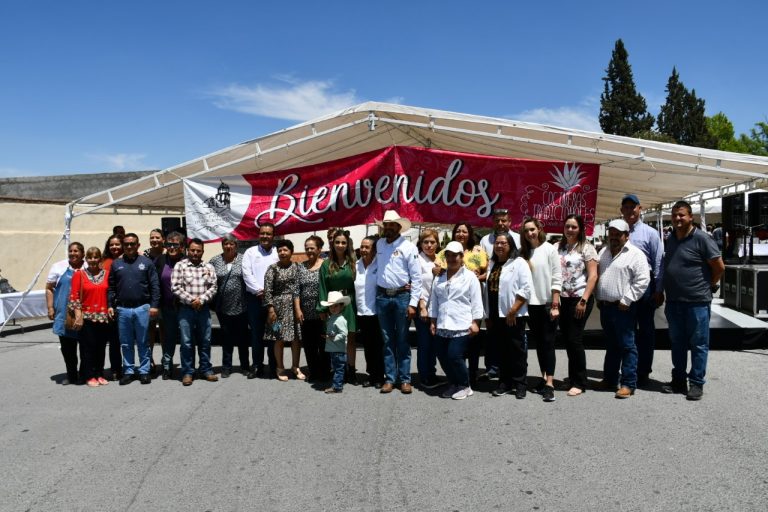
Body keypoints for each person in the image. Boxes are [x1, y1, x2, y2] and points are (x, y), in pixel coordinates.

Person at [661, 201, 724, 400]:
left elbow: (719, 267)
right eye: (674, 215)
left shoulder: (702, 239)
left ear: (691, 217)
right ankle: (678, 380)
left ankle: (696, 383)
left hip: (697, 302)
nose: (677, 219)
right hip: (674, 302)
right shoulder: (671, 239)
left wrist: (709, 285)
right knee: (677, 343)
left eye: (681, 215)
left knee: (698, 344)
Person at [596, 219, 650, 399]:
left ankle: (628, 383)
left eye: (618, 234)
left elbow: (643, 280)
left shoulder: (635, 254)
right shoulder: (603, 251)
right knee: (612, 345)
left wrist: (628, 299)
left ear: (626, 236)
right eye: (611, 233)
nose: (614, 237)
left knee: (627, 345)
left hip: (623, 307)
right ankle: (610, 379)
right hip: (606, 307)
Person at [373, 210, 422, 394]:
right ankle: (390, 378)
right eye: (386, 225)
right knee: (387, 340)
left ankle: (405, 379)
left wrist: (413, 303)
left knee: (402, 340)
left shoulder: (408, 247)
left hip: (402, 297)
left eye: (392, 225)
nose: (388, 228)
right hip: (383, 296)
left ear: (399, 227)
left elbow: (416, 277)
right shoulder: (379, 244)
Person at [429, 241, 484, 400]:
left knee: (454, 356)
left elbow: (476, 302)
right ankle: (453, 383)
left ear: (462, 257)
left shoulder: (470, 277)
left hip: (462, 324)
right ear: (445, 257)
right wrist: (433, 321)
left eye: (456, 255)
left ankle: (465, 385)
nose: (452, 258)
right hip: (442, 324)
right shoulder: (439, 277)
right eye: (449, 255)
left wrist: (476, 322)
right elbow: (434, 301)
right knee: (442, 355)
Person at [436, 222, 488, 384]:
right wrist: (436, 270)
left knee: (472, 340)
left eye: (464, 231)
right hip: (451, 296)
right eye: (458, 231)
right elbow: (436, 268)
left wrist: (474, 278)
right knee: (456, 344)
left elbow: (487, 271)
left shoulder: (478, 251)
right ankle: (459, 374)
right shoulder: (446, 252)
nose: (461, 234)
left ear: (470, 234)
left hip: (473, 293)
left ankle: (472, 373)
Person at [620, 194, 663, 387]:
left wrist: (659, 289)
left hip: (646, 289)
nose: (629, 211)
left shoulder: (650, 233)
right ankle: (629, 370)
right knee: (627, 330)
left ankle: (643, 371)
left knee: (645, 331)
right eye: (626, 207)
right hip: (624, 287)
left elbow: (659, 262)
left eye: (633, 207)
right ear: (622, 210)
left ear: (640, 209)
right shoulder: (617, 231)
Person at [107, 233, 160, 385]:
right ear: (123, 246)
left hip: (142, 308)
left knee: (143, 341)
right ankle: (129, 371)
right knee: (126, 343)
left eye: (132, 244)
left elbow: (154, 286)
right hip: (123, 309)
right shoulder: (116, 264)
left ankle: (144, 371)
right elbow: (111, 288)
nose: (129, 246)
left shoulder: (146, 262)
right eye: (126, 244)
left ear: (138, 245)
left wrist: (154, 306)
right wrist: (110, 305)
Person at [520, 217, 562, 402]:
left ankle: (550, 383)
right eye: (526, 230)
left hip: (546, 304)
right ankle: (544, 377)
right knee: (539, 343)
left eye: (532, 229)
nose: (530, 233)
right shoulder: (524, 253)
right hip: (530, 305)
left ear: (539, 229)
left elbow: (557, 277)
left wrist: (554, 304)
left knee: (548, 343)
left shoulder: (549, 249)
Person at [485, 233, 532, 399]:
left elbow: (526, 288)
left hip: (513, 314)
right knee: (501, 349)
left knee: (517, 350)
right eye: (497, 243)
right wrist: (487, 314)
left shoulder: (519, 263)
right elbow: (489, 289)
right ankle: (504, 382)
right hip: (496, 314)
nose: (499, 246)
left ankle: (520, 384)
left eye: (503, 243)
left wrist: (513, 310)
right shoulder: (492, 263)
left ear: (511, 245)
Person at [557, 215, 598, 396]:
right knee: (568, 340)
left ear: (580, 229)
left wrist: (584, 300)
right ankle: (573, 378)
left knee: (575, 339)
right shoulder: (559, 247)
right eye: (567, 226)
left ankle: (580, 382)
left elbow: (593, 276)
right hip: (563, 299)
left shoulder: (587, 248)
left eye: (574, 227)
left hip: (579, 300)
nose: (570, 230)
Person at [478, 208, 521, 379]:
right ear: (492, 222)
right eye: (497, 220)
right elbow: (482, 266)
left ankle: (513, 370)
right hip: (491, 294)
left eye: (504, 220)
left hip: (510, 296)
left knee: (513, 337)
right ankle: (492, 368)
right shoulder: (485, 240)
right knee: (492, 334)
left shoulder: (517, 238)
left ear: (510, 221)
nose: (501, 224)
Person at [172, 238, 218, 386]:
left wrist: (202, 300)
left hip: (203, 309)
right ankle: (187, 372)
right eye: (193, 250)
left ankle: (206, 369)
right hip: (186, 310)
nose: (195, 253)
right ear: (187, 250)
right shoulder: (180, 266)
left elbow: (213, 287)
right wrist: (193, 300)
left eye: (198, 250)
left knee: (205, 340)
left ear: (202, 251)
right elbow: (175, 287)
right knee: (186, 342)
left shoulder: (209, 267)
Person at [318, 229, 358, 384]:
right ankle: (337, 370)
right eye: (337, 242)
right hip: (333, 304)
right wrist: (323, 308)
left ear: (347, 245)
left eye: (343, 242)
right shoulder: (326, 264)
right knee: (335, 338)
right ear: (332, 244)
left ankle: (351, 370)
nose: (340, 245)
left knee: (351, 338)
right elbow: (322, 286)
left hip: (349, 302)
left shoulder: (353, 263)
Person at [69, 247, 112, 387]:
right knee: (87, 348)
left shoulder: (106, 274)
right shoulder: (79, 274)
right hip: (86, 318)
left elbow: (110, 294)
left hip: (103, 317)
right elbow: (74, 297)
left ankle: (99, 373)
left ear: (100, 259)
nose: (93, 260)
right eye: (90, 257)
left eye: (96, 257)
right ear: (86, 259)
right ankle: (88, 375)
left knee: (100, 347)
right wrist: (78, 315)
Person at [209, 235, 251, 378]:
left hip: (242, 306)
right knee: (226, 338)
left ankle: (245, 366)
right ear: (222, 245)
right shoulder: (215, 260)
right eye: (226, 244)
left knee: (243, 339)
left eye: (231, 244)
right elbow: (207, 278)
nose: (228, 246)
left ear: (236, 246)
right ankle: (226, 367)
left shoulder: (244, 258)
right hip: (223, 308)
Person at [242, 222, 279, 378]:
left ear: (273, 236)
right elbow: (247, 274)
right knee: (256, 334)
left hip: (274, 301)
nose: (265, 236)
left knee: (274, 332)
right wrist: (260, 290)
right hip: (255, 300)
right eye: (262, 233)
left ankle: (274, 365)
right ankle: (257, 365)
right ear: (259, 234)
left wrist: (269, 293)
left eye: (268, 233)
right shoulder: (250, 252)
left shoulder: (278, 253)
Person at [263, 240, 303, 381]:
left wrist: (298, 308)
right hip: (277, 311)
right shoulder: (272, 268)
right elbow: (268, 291)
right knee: (278, 338)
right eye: (280, 250)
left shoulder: (297, 267)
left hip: (294, 308)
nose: (282, 253)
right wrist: (270, 310)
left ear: (291, 251)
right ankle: (280, 368)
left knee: (296, 338)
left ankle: (295, 367)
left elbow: (299, 287)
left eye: (285, 250)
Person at [46, 242, 85, 385]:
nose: (73, 253)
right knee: (68, 349)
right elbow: (49, 288)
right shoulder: (59, 267)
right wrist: (50, 308)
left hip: (84, 313)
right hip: (63, 313)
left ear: (83, 254)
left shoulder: (88, 266)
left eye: (76, 251)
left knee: (85, 347)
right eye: (71, 251)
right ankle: (71, 375)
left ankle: (84, 373)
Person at [153, 232, 185, 379]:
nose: (172, 247)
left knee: (186, 338)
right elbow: (154, 283)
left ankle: (186, 366)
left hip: (184, 307)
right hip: (166, 307)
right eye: (169, 244)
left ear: (182, 246)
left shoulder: (187, 261)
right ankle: (167, 366)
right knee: (169, 338)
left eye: (175, 244)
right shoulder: (160, 260)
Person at [354, 235, 385, 388]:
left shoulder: (380, 265)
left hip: (376, 312)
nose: (363, 250)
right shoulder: (356, 265)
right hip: (361, 313)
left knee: (378, 346)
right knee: (368, 346)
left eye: (367, 247)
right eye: (362, 246)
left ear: (374, 250)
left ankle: (380, 376)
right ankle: (371, 375)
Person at [299, 235, 329, 383]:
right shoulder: (301, 267)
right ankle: (314, 371)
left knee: (323, 344)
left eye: (312, 248)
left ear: (319, 249)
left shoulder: (326, 265)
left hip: (323, 313)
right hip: (305, 313)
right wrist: (298, 310)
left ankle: (325, 371)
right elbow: (296, 291)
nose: (309, 251)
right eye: (307, 248)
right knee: (309, 345)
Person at [415, 229, 442, 389]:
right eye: (426, 242)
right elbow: (416, 285)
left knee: (434, 343)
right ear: (421, 244)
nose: (429, 245)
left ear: (437, 244)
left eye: (432, 242)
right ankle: (425, 376)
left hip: (439, 308)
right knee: (425, 343)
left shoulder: (441, 259)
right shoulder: (418, 260)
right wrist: (422, 306)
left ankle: (431, 373)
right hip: (424, 307)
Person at [102, 234, 124, 379]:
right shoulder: (103, 262)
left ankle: (122, 367)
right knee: (109, 339)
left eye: (117, 244)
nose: (114, 247)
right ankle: (111, 369)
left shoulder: (127, 260)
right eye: (111, 245)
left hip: (121, 304)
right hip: (104, 304)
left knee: (120, 340)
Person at [321, 291, 351, 393]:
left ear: (342, 306)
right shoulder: (333, 318)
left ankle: (337, 387)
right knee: (337, 367)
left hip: (338, 349)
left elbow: (344, 333)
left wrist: (332, 337)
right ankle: (337, 384)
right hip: (334, 349)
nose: (333, 309)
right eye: (331, 307)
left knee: (338, 368)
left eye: (336, 306)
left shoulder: (340, 319)